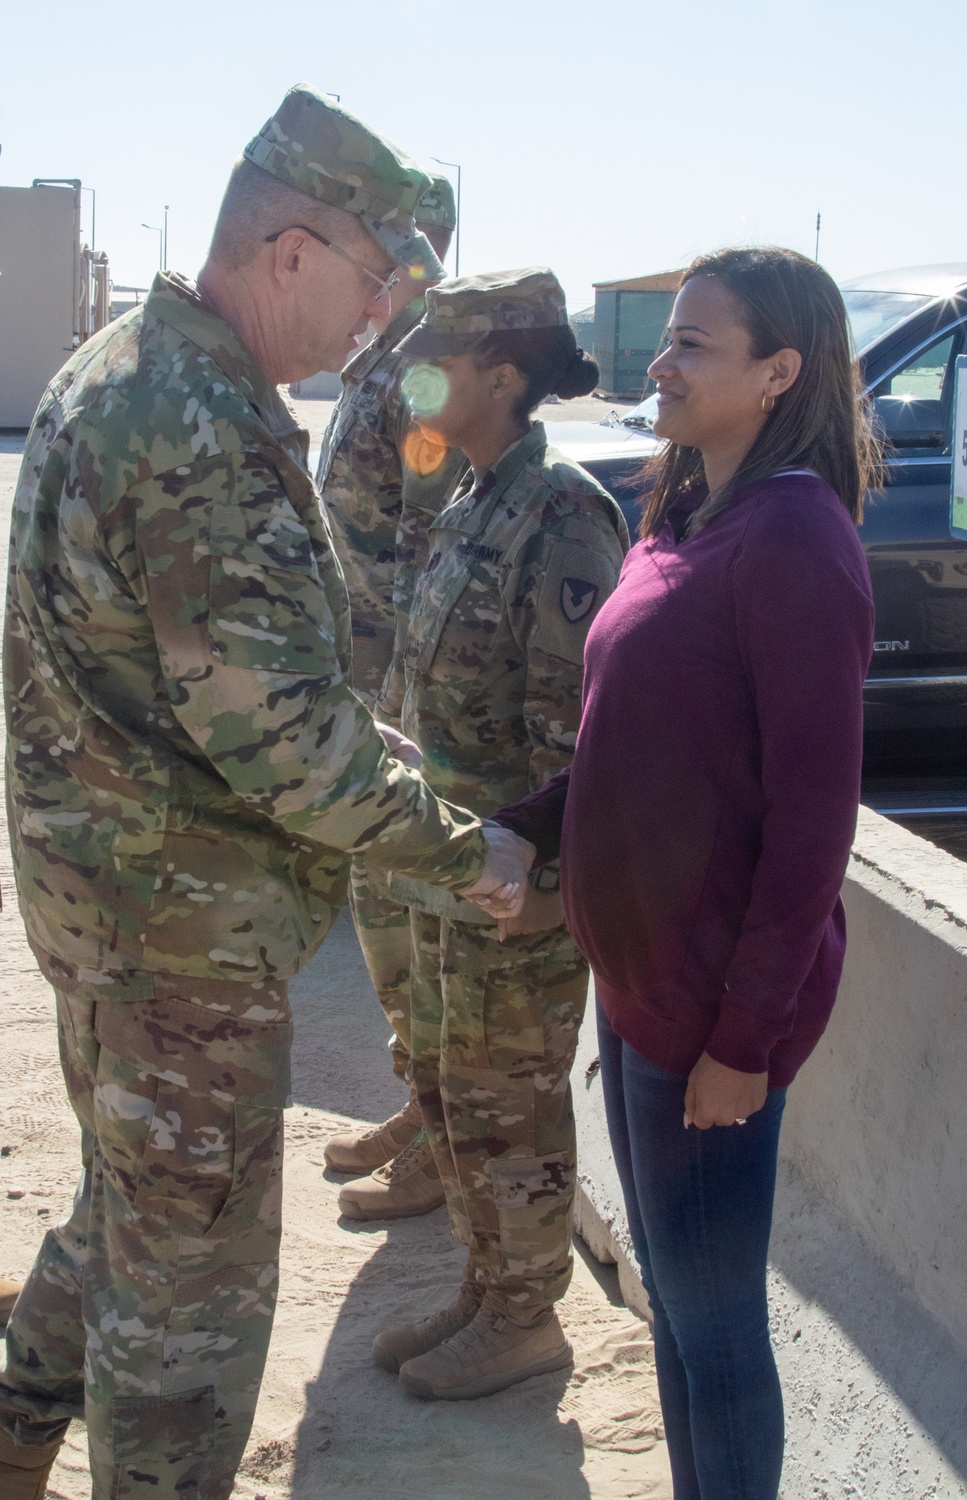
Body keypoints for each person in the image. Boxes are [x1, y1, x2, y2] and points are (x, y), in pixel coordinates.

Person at [0, 85, 529, 1500]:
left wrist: (378, 753)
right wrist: (463, 848)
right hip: (180, 950)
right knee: (187, 1317)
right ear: (289, 250)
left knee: (126, 1218)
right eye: (370, 287)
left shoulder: (128, 367)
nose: (379, 330)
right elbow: (285, 741)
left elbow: (218, 673)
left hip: (116, 914)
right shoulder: (196, 420)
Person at [489, 247, 878, 1498]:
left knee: (714, 1336)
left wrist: (741, 1044)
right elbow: (635, 751)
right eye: (666, 337)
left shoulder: (798, 540)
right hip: (644, 992)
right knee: (675, 1308)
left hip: (711, 1017)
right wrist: (527, 828)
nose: (657, 362)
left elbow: (813, 825)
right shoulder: (686, 512)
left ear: (777, 373)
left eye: (692, 345)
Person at [369, 268, 630, 1401]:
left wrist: (541, 879)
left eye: (440, 357)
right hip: (448, 872)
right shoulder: (475, 495)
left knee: (508, 1104)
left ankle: (527, 1316)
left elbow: (583, 737)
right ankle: (488, 1288)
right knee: (450, 1091)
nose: (412, 378)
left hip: (514, 884)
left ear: (505, 375)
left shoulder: (565, 510)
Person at [318, 176, 468, 1222]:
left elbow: (430, 534)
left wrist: (414, 693)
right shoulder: (377, 354)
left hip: (406, 690)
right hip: (365, 676)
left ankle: (448, 1135)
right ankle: (423, 1101)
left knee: (418, 916)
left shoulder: (422, 364)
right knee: (382, 913)